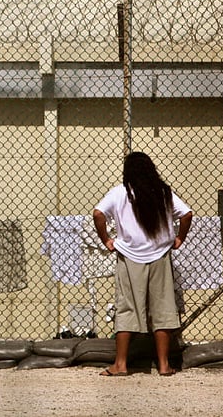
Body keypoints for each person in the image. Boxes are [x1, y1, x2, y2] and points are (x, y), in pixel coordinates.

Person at [93, 151, 193, 377]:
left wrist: (106, 240)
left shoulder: (119, 193)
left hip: (129, 257)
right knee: (163, 308)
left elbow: (98, 213)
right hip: (160, 255)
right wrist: (179, 239)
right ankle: (164, 365)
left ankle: (120, 364)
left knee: (127, 307)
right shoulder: (163, 192)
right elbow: (186, 214)